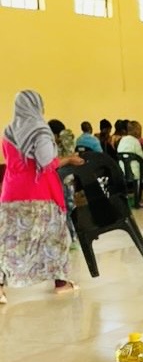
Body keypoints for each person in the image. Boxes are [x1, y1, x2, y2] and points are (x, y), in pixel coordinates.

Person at [0, 90, 84, 303]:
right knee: (54, 237)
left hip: (11, 192)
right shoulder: (39, 130)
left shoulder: (8, 131)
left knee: (9, 240)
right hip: (40, 193)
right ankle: (61, 283)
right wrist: (68, 159)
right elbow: (46, 162)